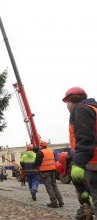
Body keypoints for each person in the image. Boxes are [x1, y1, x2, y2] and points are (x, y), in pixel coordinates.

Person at [62, 86, 97, 219]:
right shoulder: (93, 108)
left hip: (92, 164)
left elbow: (85, 139)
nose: (66, 107)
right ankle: (85, 211)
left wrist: (78, 163)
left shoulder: (82, 109)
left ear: (72, 101)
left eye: (67, 103)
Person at [35, 141, 64, 208]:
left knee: (49, 186)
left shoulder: (40, 152)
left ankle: (54, 202)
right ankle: (60, 201)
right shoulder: (51, 151)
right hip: (53, 170)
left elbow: (37, 163)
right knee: (54, 186)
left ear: (41, 146)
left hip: (45, 171)